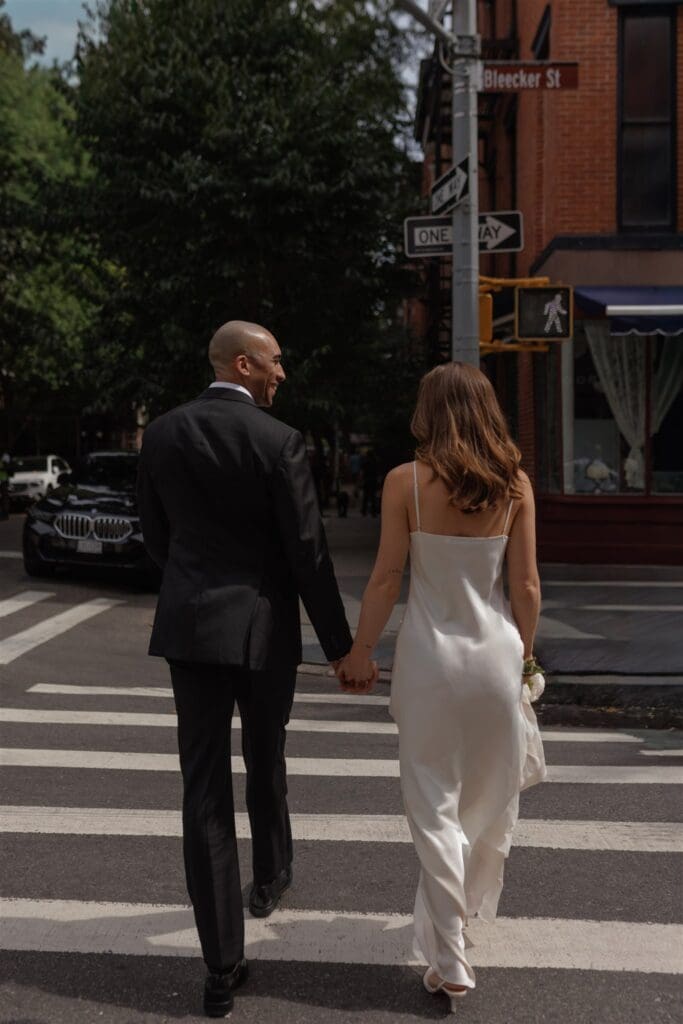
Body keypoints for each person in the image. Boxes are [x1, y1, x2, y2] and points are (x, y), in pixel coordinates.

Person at [137, 320, 360, 1018]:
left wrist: (192, 591)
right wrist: (341, 647)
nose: (281, 374)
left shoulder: (162, 433)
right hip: (264, 632)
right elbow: (308, 555)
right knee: (265, 757)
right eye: (274, 361)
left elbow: (156, 538)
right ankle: (270, 877)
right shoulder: (279, 440)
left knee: (201, 790)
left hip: (192, 627)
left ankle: (220, 966)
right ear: (243, 362)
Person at [337, 361, 546, 1010]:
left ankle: (450, 951)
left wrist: (359, 652)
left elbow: (383, 579)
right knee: (481, 802)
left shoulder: (406, 483)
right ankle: (453, 937)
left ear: (429, 412)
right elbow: (526, 587)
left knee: (432, 804)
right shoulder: (514, 484)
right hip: (493, 659)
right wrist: (526, 658)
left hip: (429, 662)